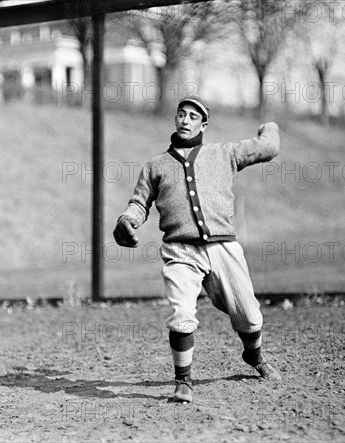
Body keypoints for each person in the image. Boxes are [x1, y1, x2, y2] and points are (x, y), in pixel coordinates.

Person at [113, 96, 282, 403]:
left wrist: (269, 127)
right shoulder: (156, 166)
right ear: (175, 119)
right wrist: (127, 221)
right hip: (180, 251)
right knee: (181, 314)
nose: (186, 120)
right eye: (181, 114)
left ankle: (254, 356)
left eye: (193, 116)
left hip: (223, 247)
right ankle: (183, 381)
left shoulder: (224, 154)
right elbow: (139, 203)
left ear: (204, 124)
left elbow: (267, 148)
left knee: (250, 317)